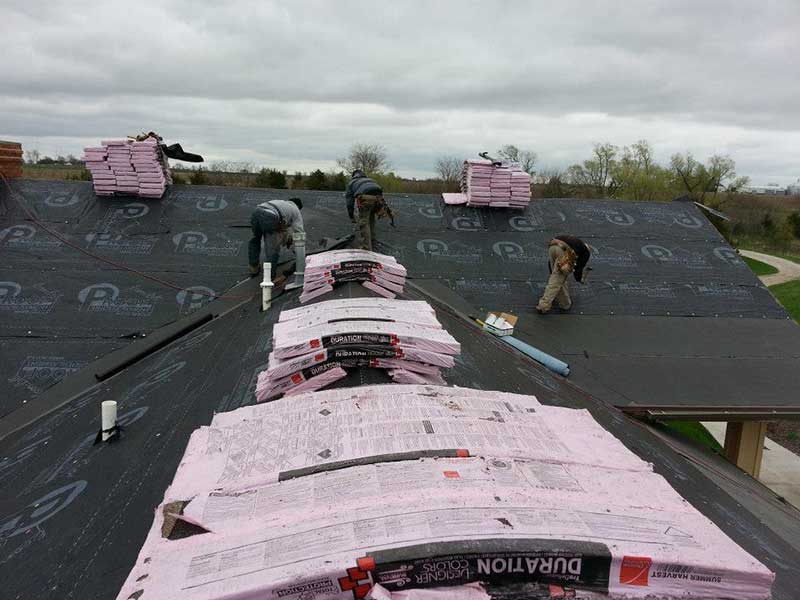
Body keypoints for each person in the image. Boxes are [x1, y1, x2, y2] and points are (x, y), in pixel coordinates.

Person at [248, 197, 304, 280]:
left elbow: (284, 224)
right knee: (272, 248)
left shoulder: (282, 202)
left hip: (256, 211)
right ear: (298, 207)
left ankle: (254, 267)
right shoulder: (296, 210)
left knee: (255, 239)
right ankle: (270, 276)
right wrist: (300, 251)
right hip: (269, 216)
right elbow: (300, 233)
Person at [536, 235, 591, 314]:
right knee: (556, 282)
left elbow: (551, 263)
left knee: (559, 279)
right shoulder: (585, 252)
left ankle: (565, 303)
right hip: (563, 251)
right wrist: (579, 279)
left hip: (552, 247)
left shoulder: (575, 242)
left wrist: (553, 272)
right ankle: (543, 306)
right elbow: (578, 268)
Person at [345, 169, 385, 251]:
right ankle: (372, 240)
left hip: (366, 198)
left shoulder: (352, 183)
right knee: (371, 217)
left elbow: (350, 201)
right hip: (378, 198)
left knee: (363, 221)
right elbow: (379, 190)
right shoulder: (370, 180)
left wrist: (351, 215)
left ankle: (366, 247)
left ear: (354, 176)